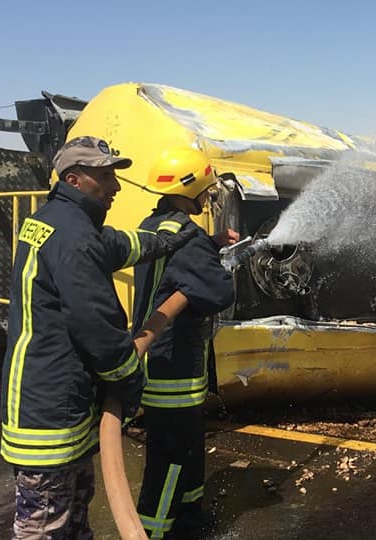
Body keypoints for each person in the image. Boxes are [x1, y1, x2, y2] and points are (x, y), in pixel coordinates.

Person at [0, 136, 197, 539]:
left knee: (74, 518)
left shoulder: (57, 220)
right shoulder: (75, 237)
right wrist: (128, 380)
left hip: (50, 399)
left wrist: (167, 240)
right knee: (46, 527)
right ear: (75, 179)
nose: (115, 187)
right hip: (50, 415)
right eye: (105, 176)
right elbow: (99, 327)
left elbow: (119, 244)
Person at [131, 148, 238, 539]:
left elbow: (175, 270)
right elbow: (218, 291)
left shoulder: (155, 226)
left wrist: (209, 244)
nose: (207, 198)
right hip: (174, 370)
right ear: (188, 189)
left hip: (158, 364)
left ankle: (190, 520)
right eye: (205, 191)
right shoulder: (187, 239)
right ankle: (154, 532)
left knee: (188, 452)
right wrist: (220, 261)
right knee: (172, 460)